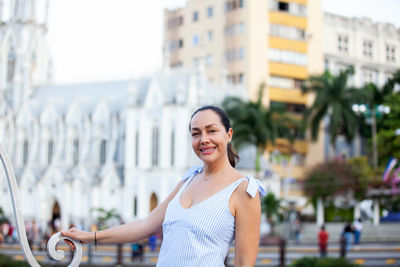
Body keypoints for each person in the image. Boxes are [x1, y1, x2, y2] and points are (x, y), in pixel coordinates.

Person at [62, 105, 266, 266]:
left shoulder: (244, 191)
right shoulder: (187, 181)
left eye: (211, 131)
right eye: (196, 133)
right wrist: (90, 237)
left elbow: (243, 264)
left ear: (228, 135)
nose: (204, 139)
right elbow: (144, 226)